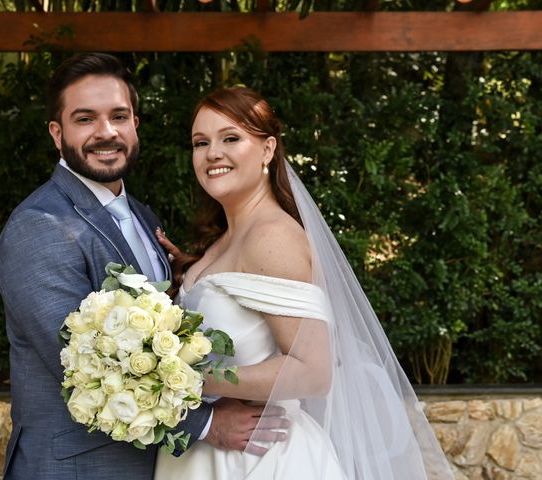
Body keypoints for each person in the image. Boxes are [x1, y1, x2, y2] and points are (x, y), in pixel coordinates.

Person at [0, 53, 286, 480]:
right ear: (57, 134)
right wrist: (207, 423)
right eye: (85, 119)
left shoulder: (144, 218)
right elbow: (78, 363)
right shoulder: (39, 227)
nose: (106, 132)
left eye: (118, 115)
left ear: (135, 125)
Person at [155, 86, 455, 479]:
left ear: (267, 149)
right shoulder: (225, 239)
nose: (212, 153)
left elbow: (313, 371)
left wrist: (183, 379)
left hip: (258, 457)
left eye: (231, 138)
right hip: (210, 452)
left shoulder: (272, 236)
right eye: (200, 142)